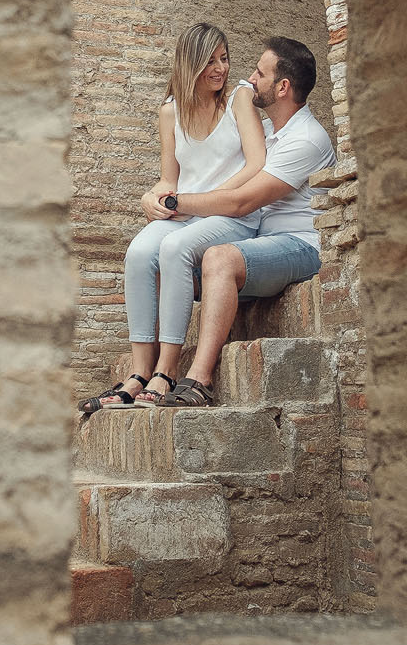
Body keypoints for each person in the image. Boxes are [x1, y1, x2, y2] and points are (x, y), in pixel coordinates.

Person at [78, 23, 269, 413]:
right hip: (184, 212)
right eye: (209, 61)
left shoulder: (239, 99)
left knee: (175, 247)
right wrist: (151, 197)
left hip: (233, 215)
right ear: (189, 63)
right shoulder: (170, 111)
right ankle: (138, 372)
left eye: (223, 58)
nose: (220, 68)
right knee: (138, 252)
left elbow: (258, 164)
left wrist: (202, 201)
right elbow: (170, 179)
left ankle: (166, 370)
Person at [150, 36, 334, 409]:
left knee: (218, 258)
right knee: (161, 259)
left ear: (282, 88)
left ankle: (199, 380)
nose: (248, 79)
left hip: (300, 245)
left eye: (259, 73)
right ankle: (152, 374)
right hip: (262, 245)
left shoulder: (307, 139)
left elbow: (241, 201)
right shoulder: (267, 134)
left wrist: (175, 203)